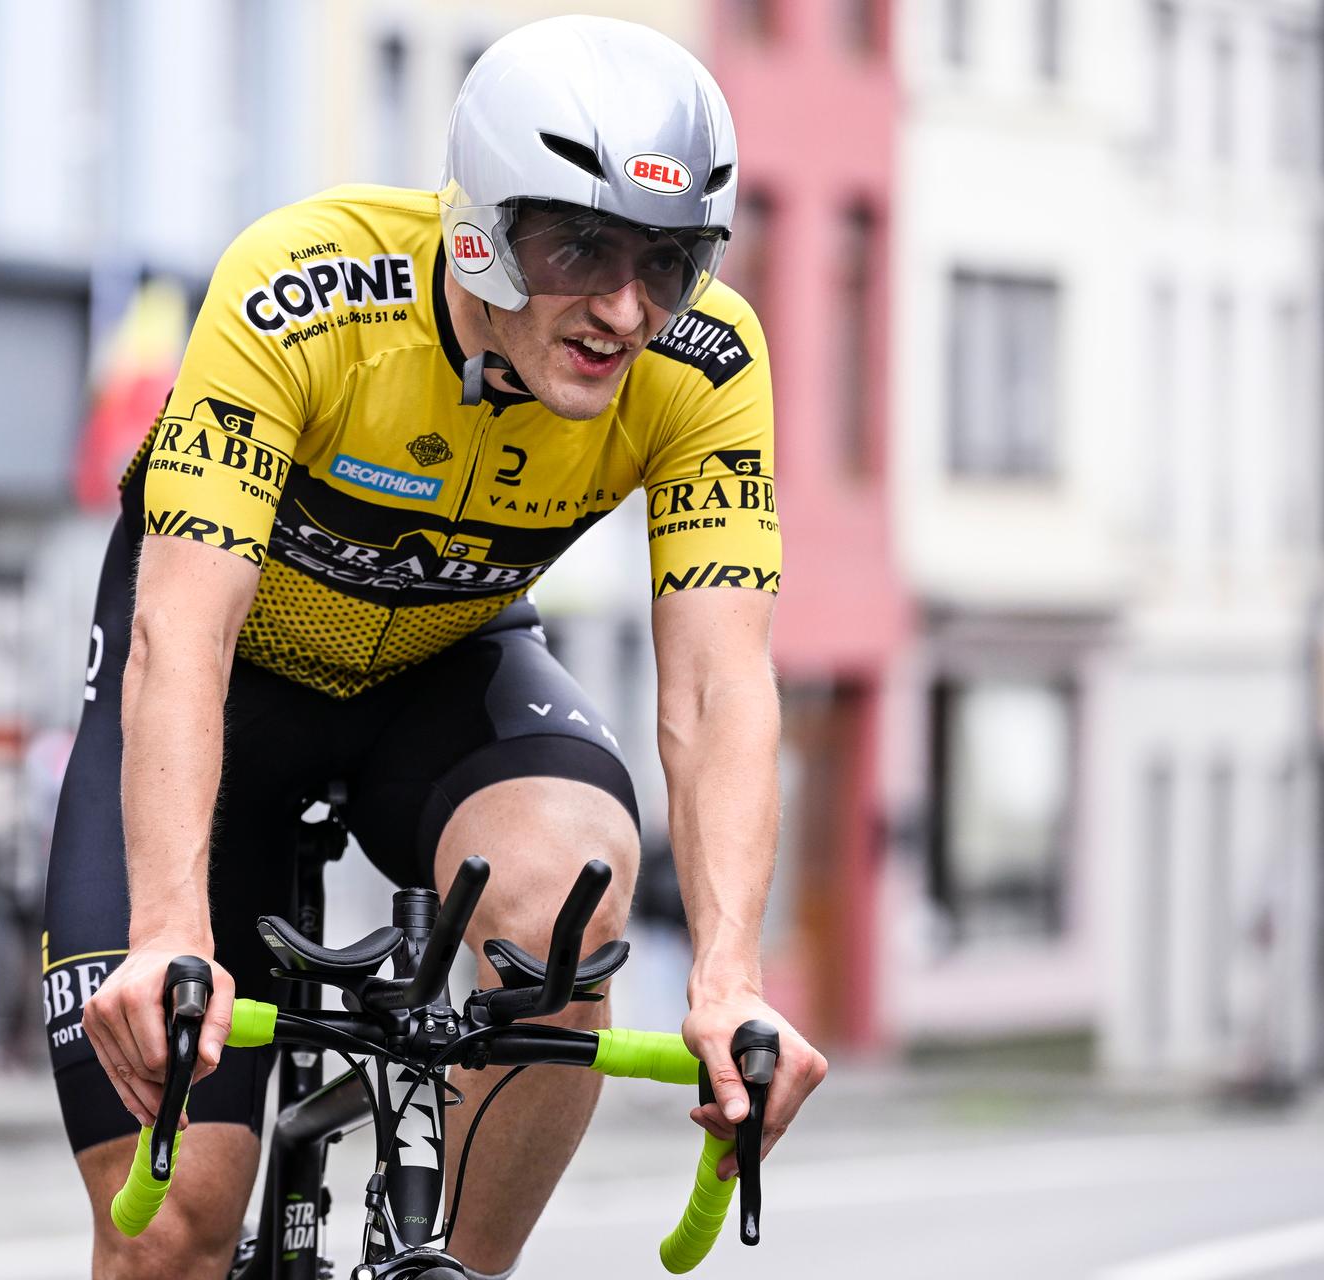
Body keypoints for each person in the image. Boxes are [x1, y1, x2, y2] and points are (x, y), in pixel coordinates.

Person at [42, 16, 827, 1279]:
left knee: (571, 900)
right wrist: (168, 927)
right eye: (582, 245)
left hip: (438, 675)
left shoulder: (707, 361)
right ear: (482, 232)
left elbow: (718, 679)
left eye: (669, 263)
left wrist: (729, 976)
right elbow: (180, 636)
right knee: (175, 1228)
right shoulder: (299, 290)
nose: (626, 311)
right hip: (222, 692)